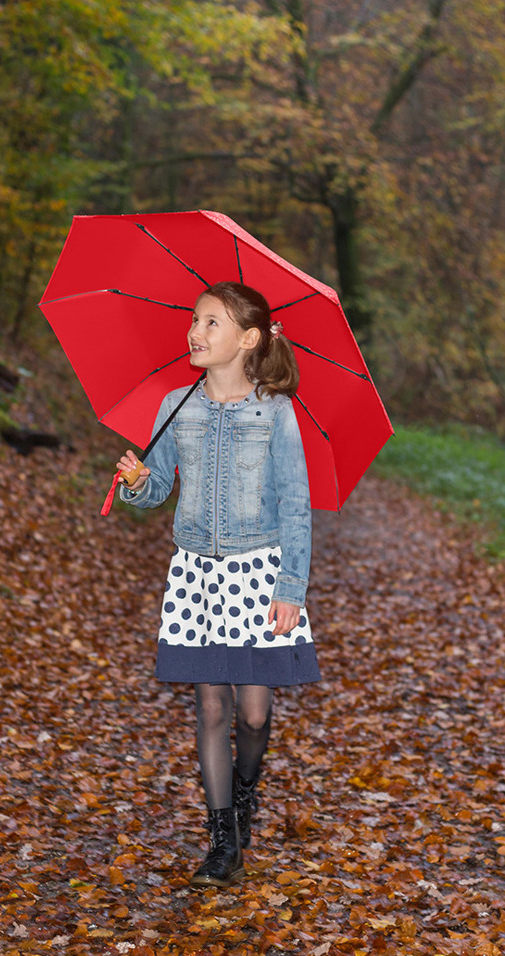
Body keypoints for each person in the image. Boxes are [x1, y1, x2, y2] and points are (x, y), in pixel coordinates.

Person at [116, 280, 319, 888]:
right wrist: (136, 479)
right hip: (198, 573)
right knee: (211, 705)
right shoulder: (178, 406)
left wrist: (292, 585)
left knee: (253, 715)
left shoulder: (276, 413)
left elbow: (297, 504)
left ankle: (246, 795)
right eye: (195, 321)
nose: (194, 333)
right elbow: (155, 494)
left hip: (259, 573)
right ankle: (222, 836)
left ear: (248, 339)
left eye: (210, 323)